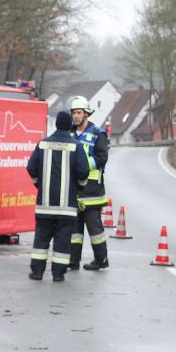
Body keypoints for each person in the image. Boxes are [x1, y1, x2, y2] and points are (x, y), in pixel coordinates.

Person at [25, 111, 89, 282]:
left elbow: (30, 167)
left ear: (56, 125)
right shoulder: (76, 146)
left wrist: (38, 183)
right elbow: (84, 172)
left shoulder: (42, 144)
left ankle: (37, 272)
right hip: (66, 207)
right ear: (69, 126)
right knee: (62, 240)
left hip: (44, 205)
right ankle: (58, 274)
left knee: (41, 238)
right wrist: (79, 187)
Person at [68, 95, 111, 272]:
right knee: (74, 229)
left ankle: (101, 259)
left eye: (79, 113)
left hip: (92, 190)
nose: (76, 116)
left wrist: (84, 166)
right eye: (74, 113)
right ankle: (73, 260)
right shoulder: (69, 134)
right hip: (74, 189)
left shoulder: (97, 134)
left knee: (95, 229)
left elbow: (102, 157)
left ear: (86, 114)